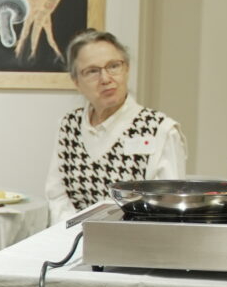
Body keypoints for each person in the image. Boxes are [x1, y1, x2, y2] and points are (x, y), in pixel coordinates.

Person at [41, 31, 188, 218]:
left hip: (135, 242)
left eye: (113, 66)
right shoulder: (68, 126)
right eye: (92, 71)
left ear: (127, 69)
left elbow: (169, 206)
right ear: (76, 81)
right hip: (74, 239)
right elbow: (57, 196)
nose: (105, 79)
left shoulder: (160, 130)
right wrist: (76, 235)